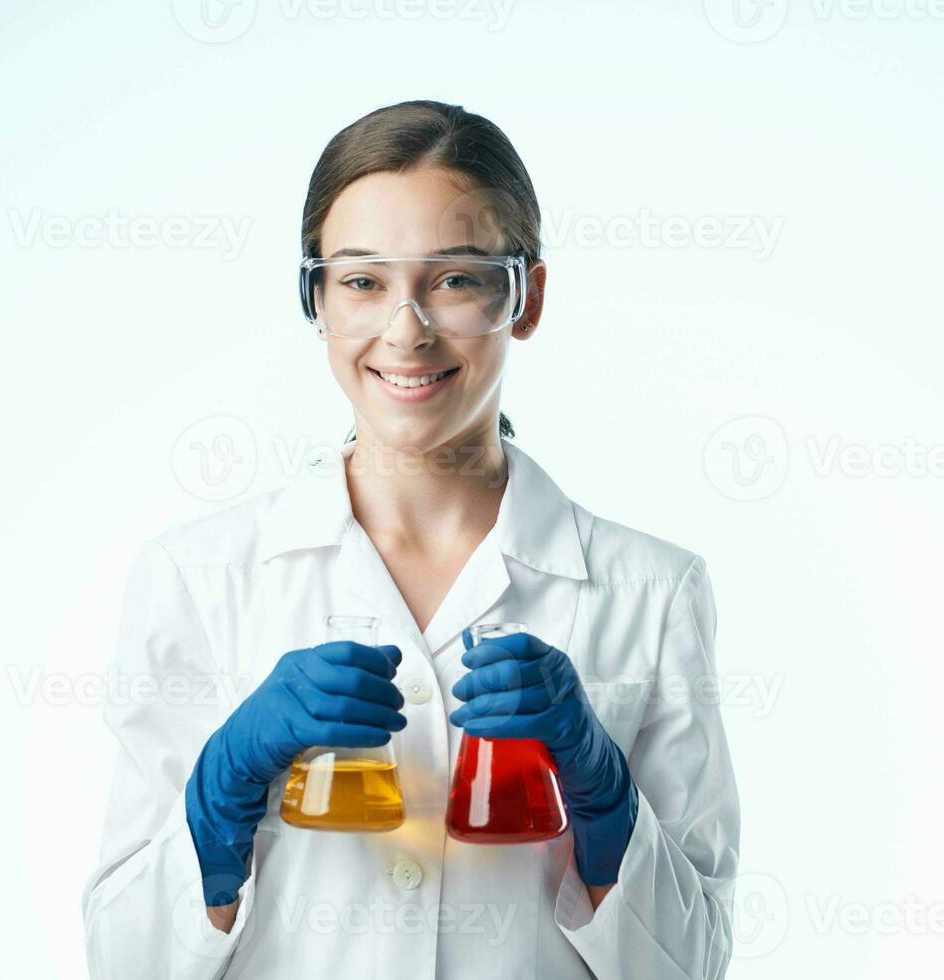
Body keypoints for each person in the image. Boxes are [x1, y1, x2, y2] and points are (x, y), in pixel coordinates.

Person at [80, 99, 740, 979]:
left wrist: (605, 798)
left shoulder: (652, 591)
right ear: (315, 298)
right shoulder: (200, 578)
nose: (406, 329)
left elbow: (692, 963)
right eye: (362, 282)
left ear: (526, 297)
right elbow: (124, 961)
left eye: (456, 280)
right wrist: (221, 791)